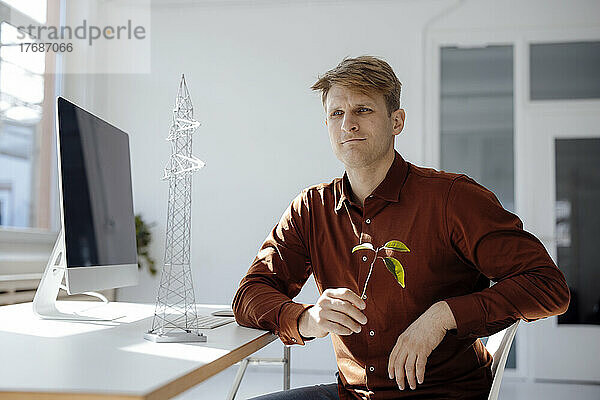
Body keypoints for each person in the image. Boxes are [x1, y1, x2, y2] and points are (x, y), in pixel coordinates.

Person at [232, 56, 570, 400]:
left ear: (397, 121)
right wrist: (306, 318)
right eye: (337, 113)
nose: (348, 124)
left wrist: (443, 315)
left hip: (442, 393)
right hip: (352, 394)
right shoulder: (310, 209)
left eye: (363, 110)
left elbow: (548, 286)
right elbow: (249, 294)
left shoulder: (453, 199)